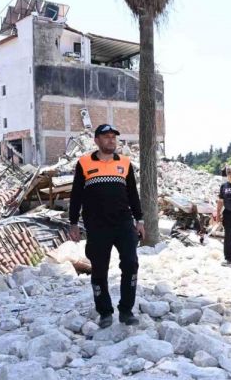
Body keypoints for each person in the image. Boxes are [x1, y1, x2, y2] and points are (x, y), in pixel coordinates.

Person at [69, 124, 145, 328]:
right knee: (99, 270)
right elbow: (76, 195)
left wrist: (140, 220)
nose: (111, 140)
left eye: (113, 137)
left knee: (130, 263)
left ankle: (126, 310)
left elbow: (132, 194)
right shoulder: (84, 163)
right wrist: (73, 222)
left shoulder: (125, 163)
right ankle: (105, 312)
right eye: (106, 137)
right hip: (97, 225)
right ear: (96, 141)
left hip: (123, 223)